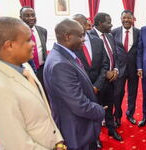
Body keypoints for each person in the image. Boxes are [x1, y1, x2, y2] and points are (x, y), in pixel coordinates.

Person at [0, 17, 64, 150]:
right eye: (28, 40)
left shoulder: (24, 65)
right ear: (9, 45)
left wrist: (57, 140)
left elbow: (45, 111)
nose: (34, 44)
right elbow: (17, 145)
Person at [43, 19, 105, 150]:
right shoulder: (60, 64)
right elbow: (79, 105)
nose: (84, 39)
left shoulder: (63, 55)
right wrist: (100, 111)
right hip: (75, 129)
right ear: (67, 36)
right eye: (81, 35)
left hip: (79, 124)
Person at [72, 13, 108, 149]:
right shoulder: (72, 44)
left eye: (78, 24)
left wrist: (97, 86)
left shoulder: (97, 41)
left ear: (86, 24)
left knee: (97, 114)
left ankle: (96, 137)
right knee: (82, 116)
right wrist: (87, 87)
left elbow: (104, 64)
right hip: (80, 88)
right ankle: (86, 138)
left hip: (98, 87)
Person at [89, 12, 123, 141]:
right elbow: (90, 62)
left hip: (111, 80)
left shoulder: (109, 36)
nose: (111, 24)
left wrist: (115, 70)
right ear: (100, 23)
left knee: (110, 105)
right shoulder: (89, 37)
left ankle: (111, 129)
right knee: (97, 108)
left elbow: (115, 56)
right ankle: (96, 137)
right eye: (109, 22)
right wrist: (105, 74)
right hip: (97, 81)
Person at [111, 10, 140, 126]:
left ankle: (130, 114)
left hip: (134, 68)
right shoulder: (114, 32)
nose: (127, 20)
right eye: (124, 18)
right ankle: (117, 116)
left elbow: (140, 51)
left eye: (129, 18)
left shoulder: (139, 32)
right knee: (118, 93)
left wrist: (140, 67)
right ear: (121, 19)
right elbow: (112, 52)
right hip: (119, 69)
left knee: (132, 93)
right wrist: (114, 67)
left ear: (133, 19)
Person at [20, 6, 48, 93]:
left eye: (33, 15)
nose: (31, 18)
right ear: (21, 18)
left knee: (43, 92)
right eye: (27, 16)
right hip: (26, 70)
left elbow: (42, 48)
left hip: (41, 69)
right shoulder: (17, 33)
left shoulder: (43, 31)